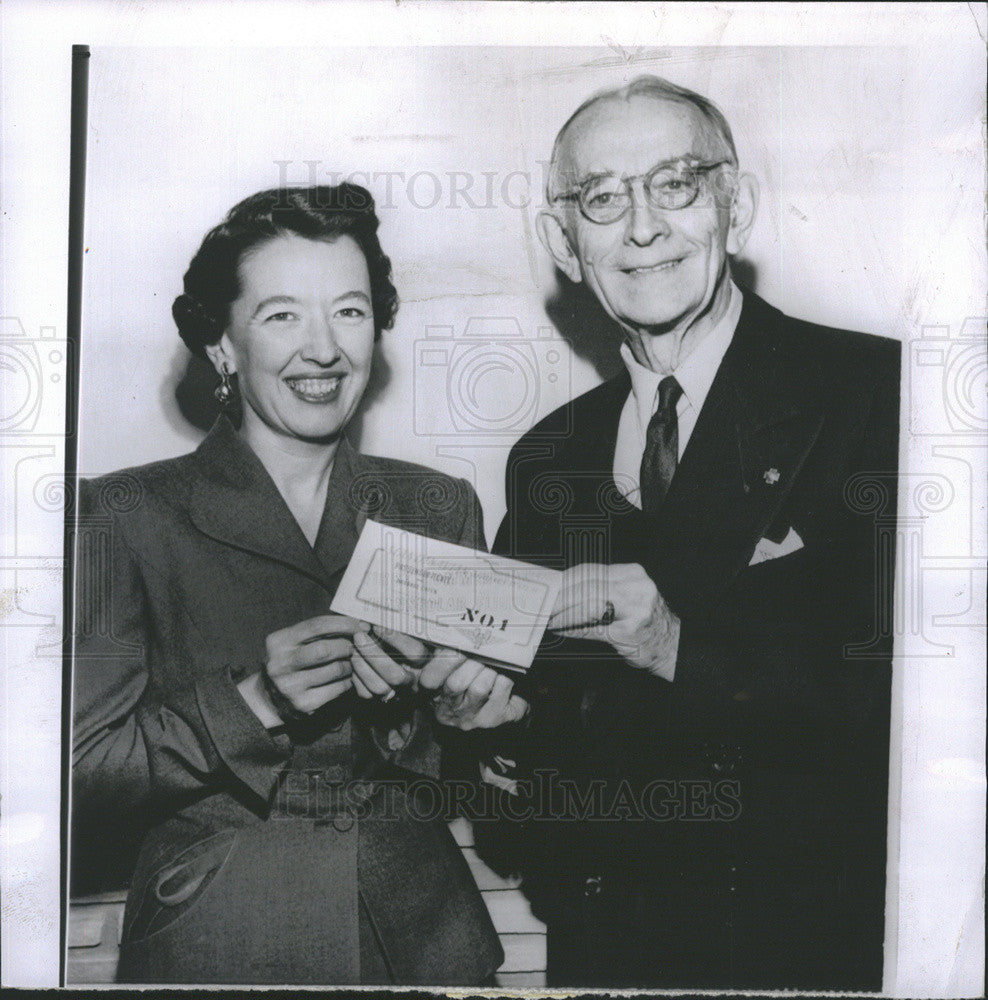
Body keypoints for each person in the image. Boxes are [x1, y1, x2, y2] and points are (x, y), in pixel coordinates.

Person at [480, 76, 900, 990]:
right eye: (601, 198)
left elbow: (913, 711)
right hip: (604, 950)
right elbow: (549, 728)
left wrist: (677, 646)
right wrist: (486, 721)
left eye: (675, 184)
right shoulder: (548, 456)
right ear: (564, 242)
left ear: (735, 207)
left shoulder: (877, 396)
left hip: (803, 948)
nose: (641, 228)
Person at [70, 183, 527, 985]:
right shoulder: (122, 513)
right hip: (221, 936)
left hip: (423, 941)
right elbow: (77, 771)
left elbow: (461, 766)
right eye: (282, 315)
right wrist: (250, 703)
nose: (324, 349)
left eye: (349, 312)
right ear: (221, 342)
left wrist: (475, 719)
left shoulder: (438, 504)